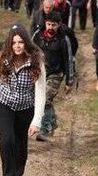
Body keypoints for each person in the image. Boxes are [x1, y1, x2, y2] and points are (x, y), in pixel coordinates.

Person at [0, 25, 46, 176]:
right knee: (7, 139)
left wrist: (36, 120)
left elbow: (40, 91)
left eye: (21, 42)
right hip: (3, 102)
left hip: (26, 106)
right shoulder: (1, 57)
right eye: (14, 42)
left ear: (26, 43)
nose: (17, 46)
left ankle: (17, 175)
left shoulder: (36, 61)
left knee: (20, 144)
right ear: (10, 44)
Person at [32, 12, 77, 141]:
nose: (51, 27)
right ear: (45, 23)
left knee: (45, 99)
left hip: (55, 74)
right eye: (48, 24)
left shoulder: (64, 39)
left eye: (54, 25)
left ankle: (45, 129)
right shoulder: (38, 35)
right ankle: (52, 121)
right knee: (38, 99)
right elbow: (30, 52)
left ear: (59, 25)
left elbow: (69, 60)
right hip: (39, 73)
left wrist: (69, 81)